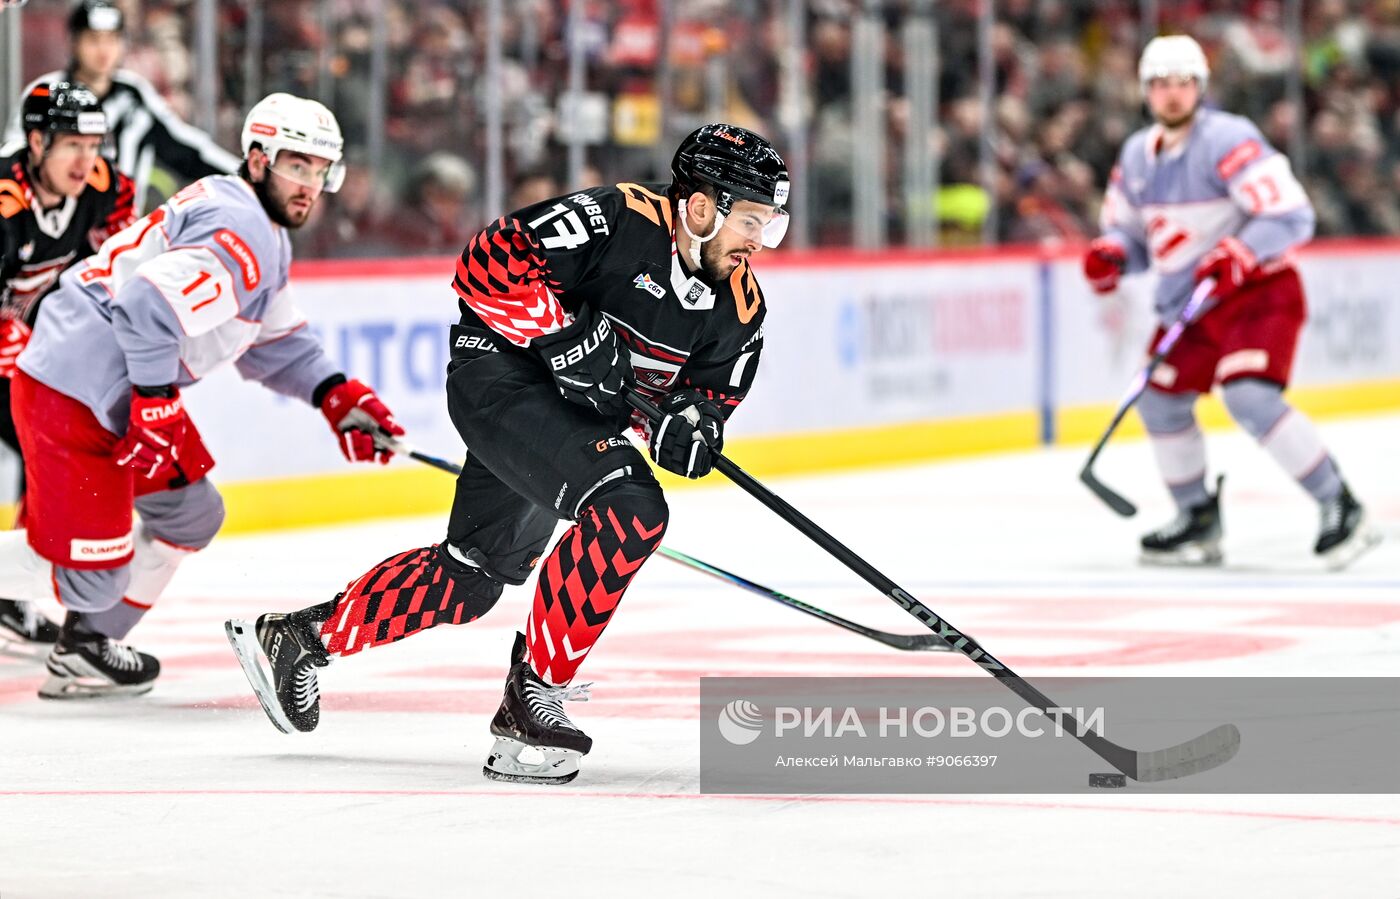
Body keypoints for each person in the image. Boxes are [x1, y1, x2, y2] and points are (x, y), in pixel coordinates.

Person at [226, 124, 789, 784]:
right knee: (630, 507)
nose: (759, 240)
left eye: (769, 224)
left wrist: (689, 430)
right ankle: (534, 695)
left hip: (572, 420)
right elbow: (486, 262)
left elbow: (705, 401)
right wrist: (564, 336)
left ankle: (299, 638)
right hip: (501, 379)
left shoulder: (741, 310)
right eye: (751, 220)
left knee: (470, 578)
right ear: (700, 207)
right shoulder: (618, 218)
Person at [0, 92, 402, 699]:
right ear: (259, 159)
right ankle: (88, 625)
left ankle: (86, 647)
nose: (310, 186)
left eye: (322, 171)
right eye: (298, 165)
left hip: (119, 389)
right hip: (74, 390)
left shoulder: (259, 226)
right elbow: (145, 306)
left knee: (191, 513)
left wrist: (337, 396)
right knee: (90, 580)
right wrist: (156, 402)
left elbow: (278, 344)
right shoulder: (241, 226)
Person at [1083, 35, 1379, 570]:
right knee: (1159, 399)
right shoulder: (1135, 156)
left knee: (1249, 395)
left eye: (1183, 82)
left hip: (1257, 294)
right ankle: (1197, 516)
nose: (1172, 93)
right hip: (1191, 305)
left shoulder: (1228, 139)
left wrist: (1241, 252)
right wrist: (1114, 255)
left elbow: (1291, 215)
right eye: (1160, 84)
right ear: (1145, 91)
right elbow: (1136, 237)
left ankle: (1342, 504)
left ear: (1200, 87)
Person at [0, 80, 135, 658]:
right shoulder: (4, 200)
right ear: (36, 143)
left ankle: (10, 590)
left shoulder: (101, 185)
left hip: (25, 344)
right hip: (13, 340)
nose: (86, 160)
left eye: (94, 145)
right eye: (72, 145)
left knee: (46, 446)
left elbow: (127, 240)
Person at [2, 0, 240, 210]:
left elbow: (188, 151)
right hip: (50, 229)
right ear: (74, 42)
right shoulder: (46, 92)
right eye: (93, 39)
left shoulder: (134, 96)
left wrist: (245, 177)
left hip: (121, 230)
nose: (104, 50)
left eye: (112, 39)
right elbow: (13, 159)